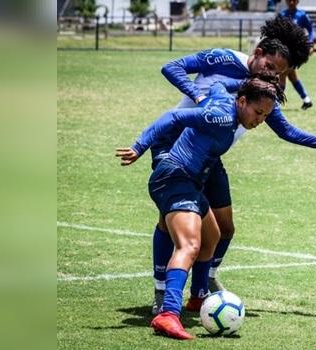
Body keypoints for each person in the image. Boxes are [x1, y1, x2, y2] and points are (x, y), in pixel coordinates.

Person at [150, 17, 316, 316]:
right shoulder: (222, 59)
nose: (274, 75)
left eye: (281, 72)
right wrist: (197, 95)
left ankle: (203, 287)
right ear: (259, 52)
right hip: (176, 148)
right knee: (169, 225)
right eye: (272, 67)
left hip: (210, 158)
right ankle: (162, 294)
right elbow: (172, 67)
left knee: (224, 229)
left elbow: (286, 130)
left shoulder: (262, 90)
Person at [116, 76, 286, 340]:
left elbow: (218, 85)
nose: (260, 120)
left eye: (265, 115)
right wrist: (139, 147)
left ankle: (198, 298)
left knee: (213, 236)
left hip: (190, 181)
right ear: (241, 101)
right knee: (189, 245)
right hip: (174, 178)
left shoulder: (227, 101)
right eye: (258, 112)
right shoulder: (220, 117)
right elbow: (173, 118)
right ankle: (168, 314)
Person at [278, 0, 314, 110]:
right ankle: (306, 100)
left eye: (294, 0)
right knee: (292, 76)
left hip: (296, 51)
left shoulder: (302, 15)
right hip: (284, 50)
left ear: (297, 1)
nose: (292, 2)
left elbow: (311, 30)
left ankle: (277, 104)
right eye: (289, 0)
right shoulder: (282, 15)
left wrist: (310, 44)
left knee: (282, 74)